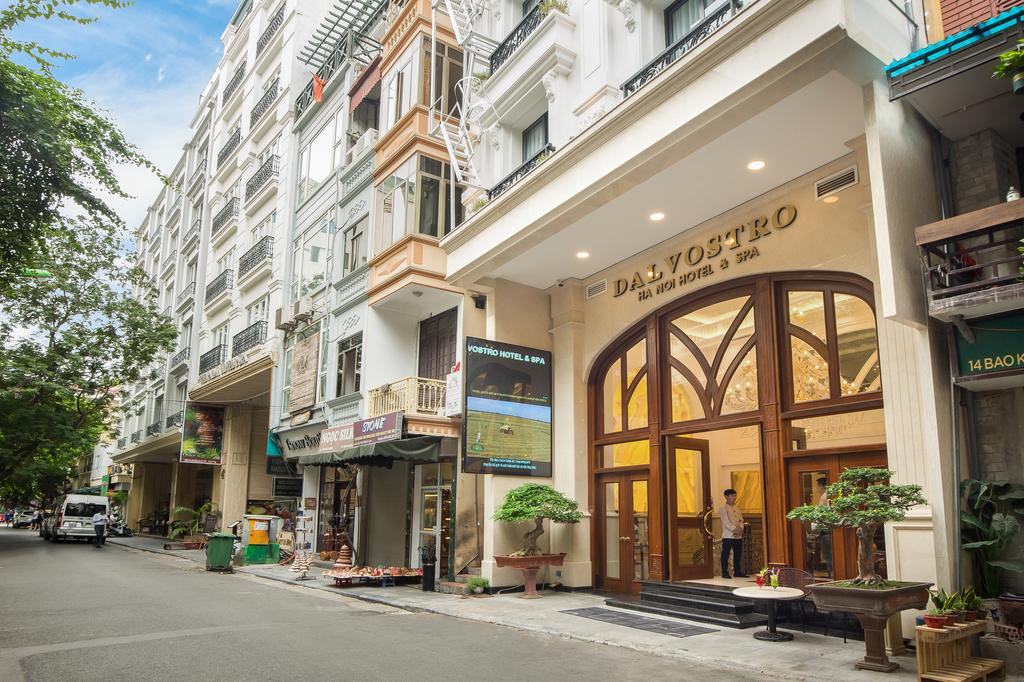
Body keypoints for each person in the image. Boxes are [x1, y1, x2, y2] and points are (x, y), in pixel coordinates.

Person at [719, 488, 746, 578]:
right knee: (725, 554)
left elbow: (741, 520)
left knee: (737, 553)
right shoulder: (723, 509)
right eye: (732, 496)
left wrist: (741, 529)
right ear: (726, 497)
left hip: (738, 535)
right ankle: (724, 572)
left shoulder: (737, 508)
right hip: (728, 535)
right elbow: (726, 522)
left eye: (735, 496)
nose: (734, 497)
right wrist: (735, 530)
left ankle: (737, 571)